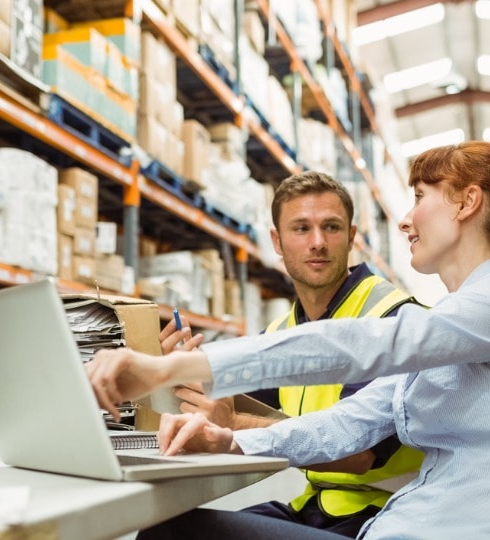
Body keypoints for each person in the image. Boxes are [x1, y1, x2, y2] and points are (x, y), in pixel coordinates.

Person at [87, 142, 490, 538]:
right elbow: (355, 418)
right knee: (174, 527)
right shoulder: (461, 324)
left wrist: (170, 369)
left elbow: (358, 345)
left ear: (467, 202)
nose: (405, 219)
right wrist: (234, 443)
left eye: (419, 197)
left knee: (175, 533)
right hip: (401, 529)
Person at [157, 171, 425, 537]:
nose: (317, 242)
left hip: (384, 515)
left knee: (177, 534)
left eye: (331, 227)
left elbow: (358, 455)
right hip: (317, 505)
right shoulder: (283, 331)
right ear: (277, 242)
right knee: (166, 526)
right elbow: (236, 404)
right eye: (300, 229)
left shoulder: (388, 317)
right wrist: (179, 375)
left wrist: (231, 424)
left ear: (351, 237)